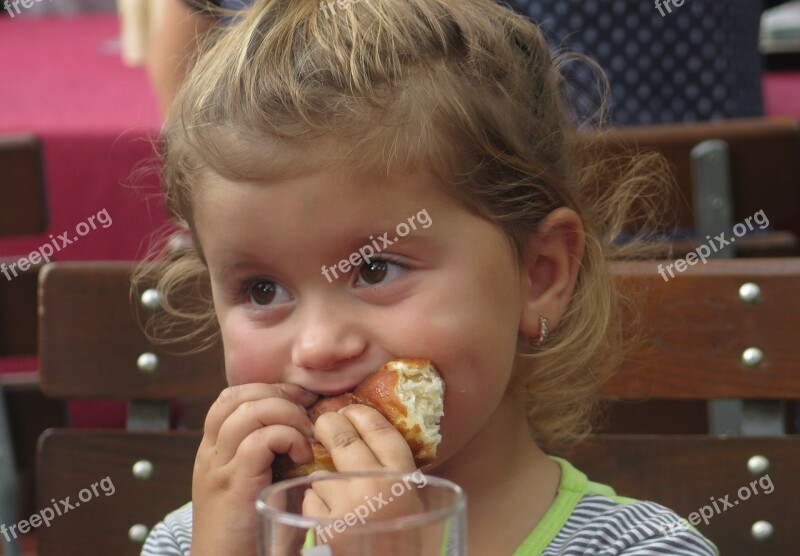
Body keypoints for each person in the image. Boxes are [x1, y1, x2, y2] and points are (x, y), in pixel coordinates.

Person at [139, 0, 718, 554]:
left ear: (539, 276)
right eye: (262, 290)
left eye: (375, 269)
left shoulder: (644, 548)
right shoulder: (192, 540)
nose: (317, 345)